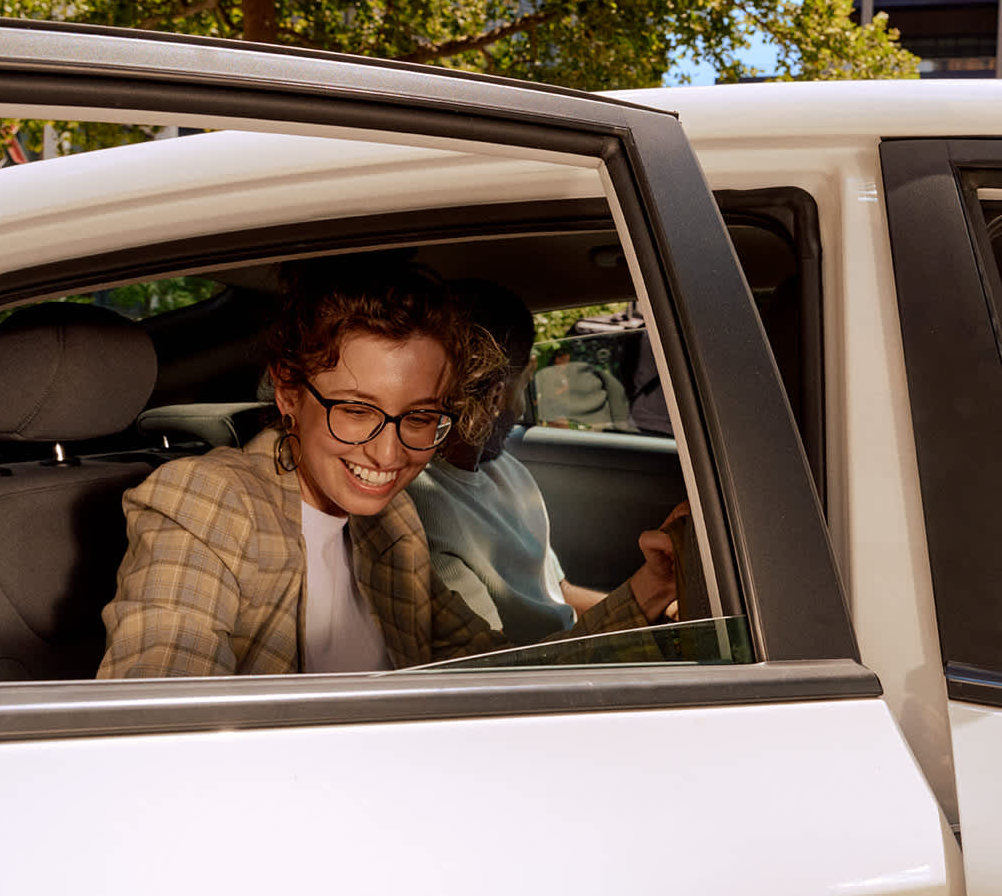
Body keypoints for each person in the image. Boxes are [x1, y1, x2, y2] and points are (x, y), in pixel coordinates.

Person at [97, 261, 657, 677]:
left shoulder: (393, 526)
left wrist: (650, 591)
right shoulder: (207, 500)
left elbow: (493, 675)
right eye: (356, 411)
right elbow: (155, 706)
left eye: (418, 417)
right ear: (290, 392)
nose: (388, 455)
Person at [409, 280, 681, 646]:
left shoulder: (508, 471)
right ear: (497, 394)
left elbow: (559, 597)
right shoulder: (423, 511)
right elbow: (501, 668)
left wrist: (659, 601)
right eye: (524, 382)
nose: (520, 410)